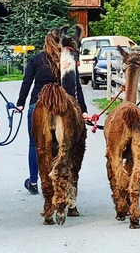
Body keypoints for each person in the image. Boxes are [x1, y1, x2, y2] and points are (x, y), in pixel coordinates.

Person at [16, 29, 88, 194]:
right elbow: (76, 87)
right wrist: (83, 110)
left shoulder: (35, 60)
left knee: (35, 144)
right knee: (66, 145)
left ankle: (34, 180)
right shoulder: (66, 60)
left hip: (38, 104)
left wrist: (20, 104)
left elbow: (26, 83)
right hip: (63, 105)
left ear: (46, 42)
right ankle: (64, 178)